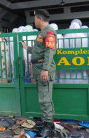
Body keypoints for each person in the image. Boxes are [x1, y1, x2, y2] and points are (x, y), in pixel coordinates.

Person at [20, 9, 56, 137]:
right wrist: (27, 48)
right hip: (39, 69)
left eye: (35, 19)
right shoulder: (42, 33)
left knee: (45, 99)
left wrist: (45, 69)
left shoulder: (49, 32)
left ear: (40, 19)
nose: (34, 21)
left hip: (43, 70)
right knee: (43, 98)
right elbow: (38, 50)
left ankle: (48, 127)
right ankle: (48, 123)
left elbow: (49, 51)